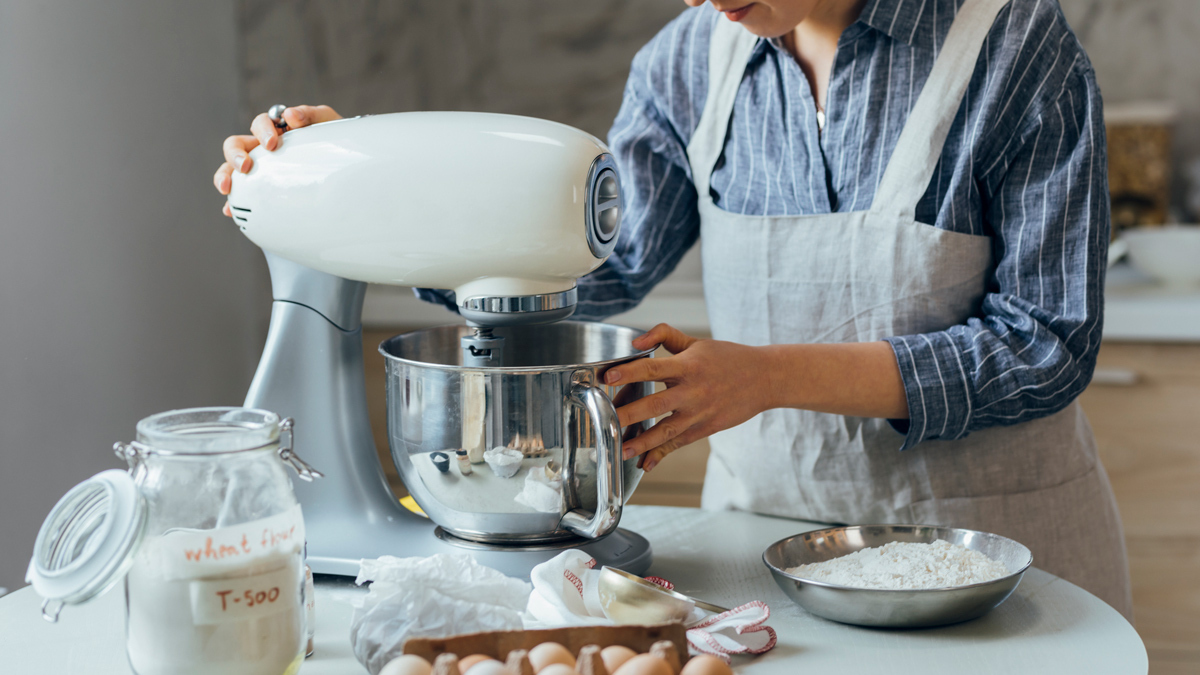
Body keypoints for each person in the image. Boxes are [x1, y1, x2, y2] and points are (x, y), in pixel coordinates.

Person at [213, 0, 1133, 619]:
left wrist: (764, 377)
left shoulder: (1015, 48)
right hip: (767, 560)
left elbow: (1044, 345)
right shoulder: (692, 59)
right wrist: (350, 179)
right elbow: (586, 276)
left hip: (991, 560)